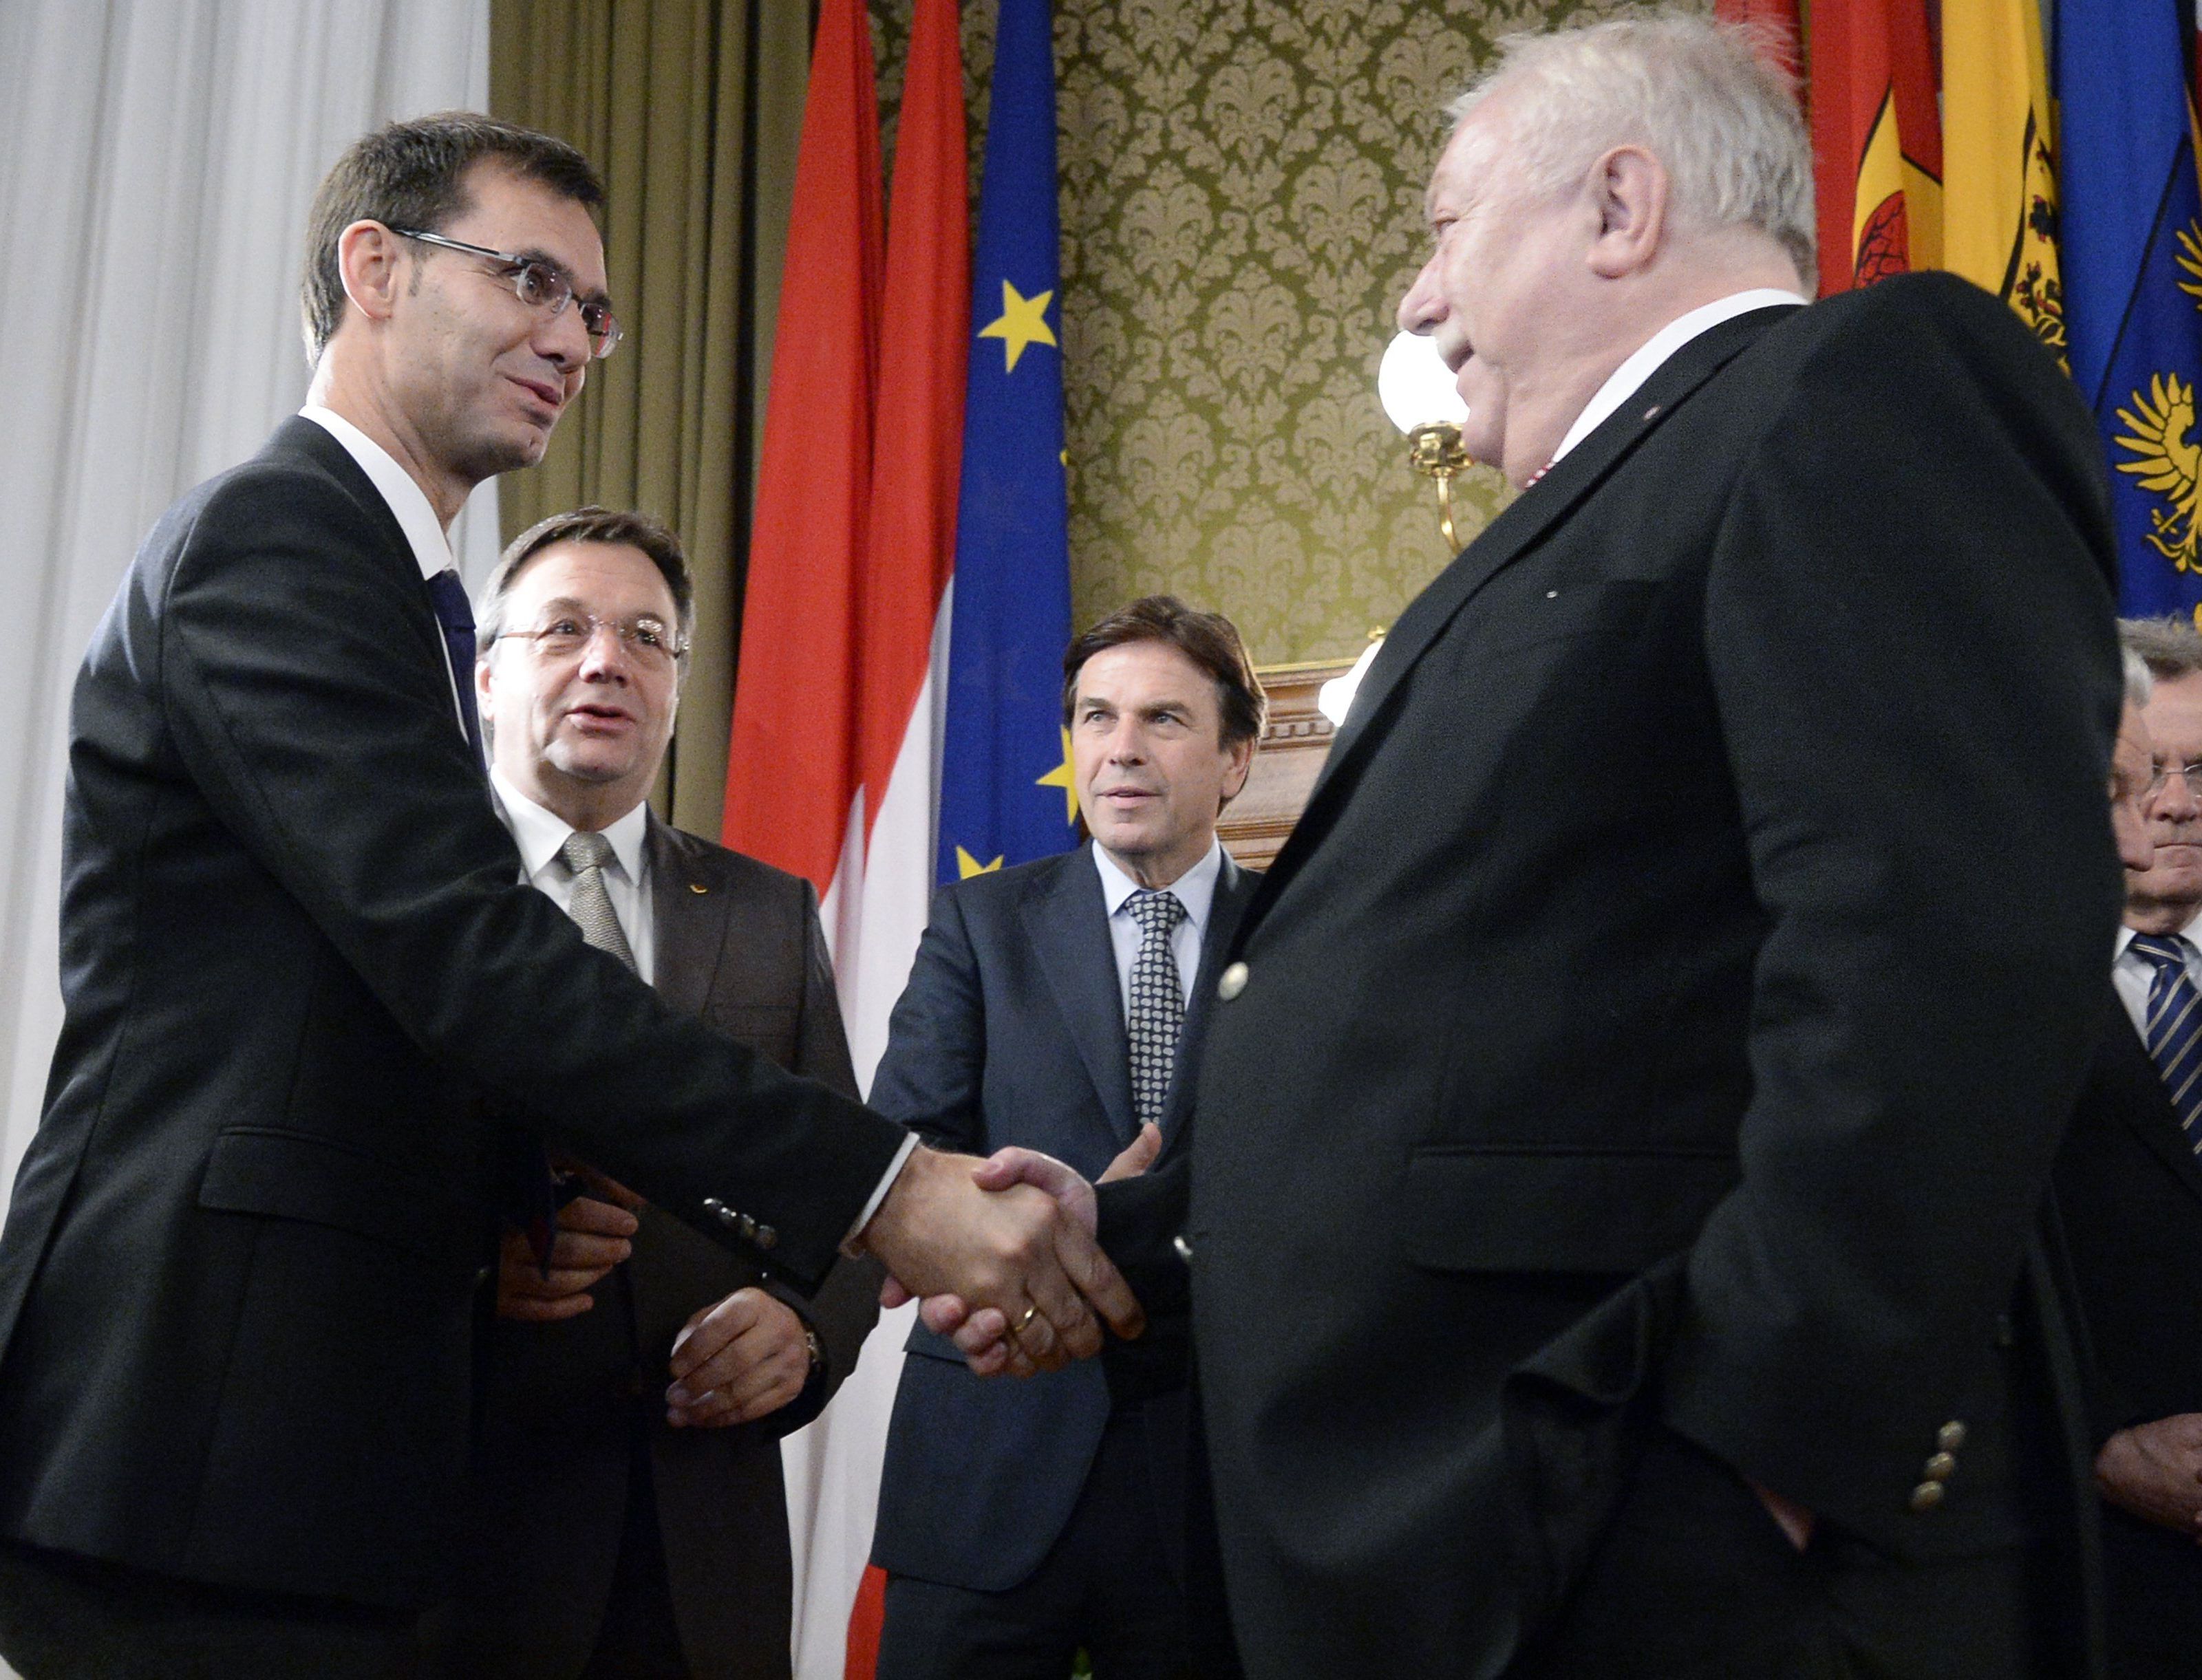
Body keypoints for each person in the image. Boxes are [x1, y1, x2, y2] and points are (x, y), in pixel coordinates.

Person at [940, 17, 2122, 1678]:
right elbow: (1525, 1046)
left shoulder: (1845, 388)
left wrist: (1757, 1462)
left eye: (1440, 227)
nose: (1418, 303)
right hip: (1459, 1541)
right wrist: (1122, 1244)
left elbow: (1942, 942)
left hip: (1664, 1557)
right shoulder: (1600, 509)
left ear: (1619, 207)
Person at [0, 112, 1131, 1677]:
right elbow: (470, 957)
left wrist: (513, 1201)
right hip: (208, 1439)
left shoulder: (381, 582)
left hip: (312, 1461)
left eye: (593, 309)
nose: (573, 338)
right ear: (374, 268)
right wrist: (894, 1192)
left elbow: (350, 999)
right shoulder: (282, 540)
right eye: (530, 279)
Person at [404, 506, 879, 1679]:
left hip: (702, 1550)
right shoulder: (404, 896)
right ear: (487, 669)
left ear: (676, 681)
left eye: (645, 636)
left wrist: (807, 1330)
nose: (605, 659)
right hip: (448, 1540)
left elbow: (855, 1202)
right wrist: (470, 1269)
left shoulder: (768, 910)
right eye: (563, 628)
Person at [868, 599, 1264, 1680]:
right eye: (1096, 717)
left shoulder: (1305, 928)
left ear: (1235, 758)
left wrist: (1134, 1218)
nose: (1121, 749)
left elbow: (1324, 1170)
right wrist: (1075, 1208)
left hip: (1211, 1472)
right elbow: (902, 1157)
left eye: (1164, 720)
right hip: (989, 1454)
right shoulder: (978, 923)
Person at [2053, 621, 2202, 1680]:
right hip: (2084, 1574)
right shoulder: (1985, 995)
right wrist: (2098, 1444)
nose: (2176, 802)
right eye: (2149, 772)